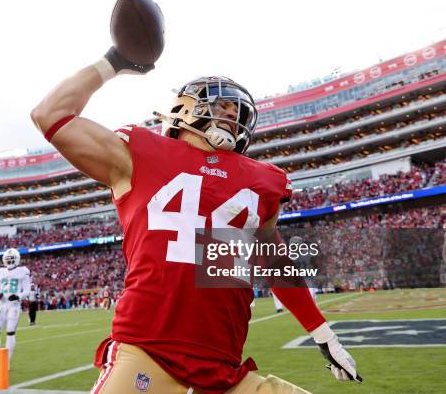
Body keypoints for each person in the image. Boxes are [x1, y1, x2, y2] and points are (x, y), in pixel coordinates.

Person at [30, 46, 361, 393]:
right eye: (223, 105)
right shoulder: (139, 152)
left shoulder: (264, 180)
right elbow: (51, 114)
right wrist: (114, 62)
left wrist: (322, 332)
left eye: (238, 109)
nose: (233, 113)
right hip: (147, 354)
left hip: (224, 370)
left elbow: (273, 263)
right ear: (185, 108)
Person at [0, 248, 31, 371]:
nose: (10, 261)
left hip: (14, 306)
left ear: (17, 259)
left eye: (12, 259)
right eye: (8, 259)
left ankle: (6, 362)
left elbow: (27, 291)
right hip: (1, 306)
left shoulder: (23, 271)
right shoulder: (0, 272)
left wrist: (18, 296)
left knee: (10, 332)